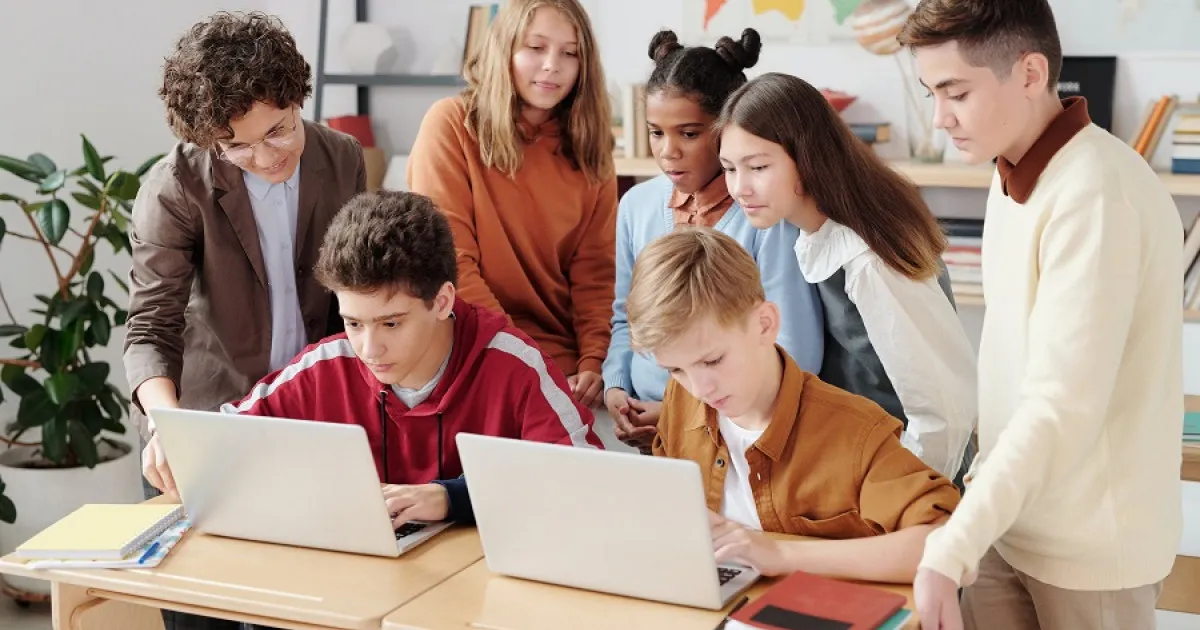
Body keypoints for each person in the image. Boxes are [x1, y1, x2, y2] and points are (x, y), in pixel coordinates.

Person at [899, 1, 1184, 628]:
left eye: (956, 92)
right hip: (1009, 528)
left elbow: (1060, 406)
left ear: (1030, 74)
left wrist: (952, 545)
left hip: (1090, 554)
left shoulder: (1096, 192)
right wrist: (973, 519)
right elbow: (1011, 377)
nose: (940, 117)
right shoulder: (1012, 172)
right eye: (931, 92)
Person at [143, 190, 604, 528]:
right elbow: (221, 439)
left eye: (391, 323)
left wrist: (454, 498)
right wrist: (175, 445)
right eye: (353, 323)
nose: (368, 349)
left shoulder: (516, 365)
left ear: (443, 301)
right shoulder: (326, 364)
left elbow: (586, 483)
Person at [125, 12, 365, 630]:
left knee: (310, 611)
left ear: (298, 99)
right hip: (209, 426)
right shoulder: (175, 187)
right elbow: (150, 326)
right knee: (203, 615)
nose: (265, 156)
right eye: (237, 145)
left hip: (314, 423)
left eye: (279, 131)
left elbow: (356, 293)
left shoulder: (341, 159)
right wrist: (169, 425)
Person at [626, 227, 960, 583]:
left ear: (765, 325)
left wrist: (783, 554)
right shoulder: (681, 399)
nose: (699, 388)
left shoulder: (856, 432)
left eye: (713, 361)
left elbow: (944, 542)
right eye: (676, 370)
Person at [715, 72, 976, 481]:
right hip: (861, 468)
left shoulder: (867, 258)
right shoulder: (812, 233)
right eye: (729, 169)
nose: (739, 188)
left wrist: (906, 498)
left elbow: (941, 415)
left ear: (807, 157)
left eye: (758, 167)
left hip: (911, 483)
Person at [601, 28, 824, 452]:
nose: (668, 151)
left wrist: (679, 413)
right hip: (648, 431)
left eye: (688, 134)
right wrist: (616, 387)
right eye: (655, 132)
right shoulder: (635, 206)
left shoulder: (766, 218)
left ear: (728, 129)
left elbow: (795, 352)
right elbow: (625, 319)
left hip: (736, 434)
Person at [407, 0, 616, 410]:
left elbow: (596, 274)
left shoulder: (591, 148)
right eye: (535, 48)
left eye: (570, 53)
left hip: (564, 361)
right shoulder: (451, 124)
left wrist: (595, 361)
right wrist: (523, 361)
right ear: (504, 49)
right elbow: (451, 263)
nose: (552, 65)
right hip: (471, 345)